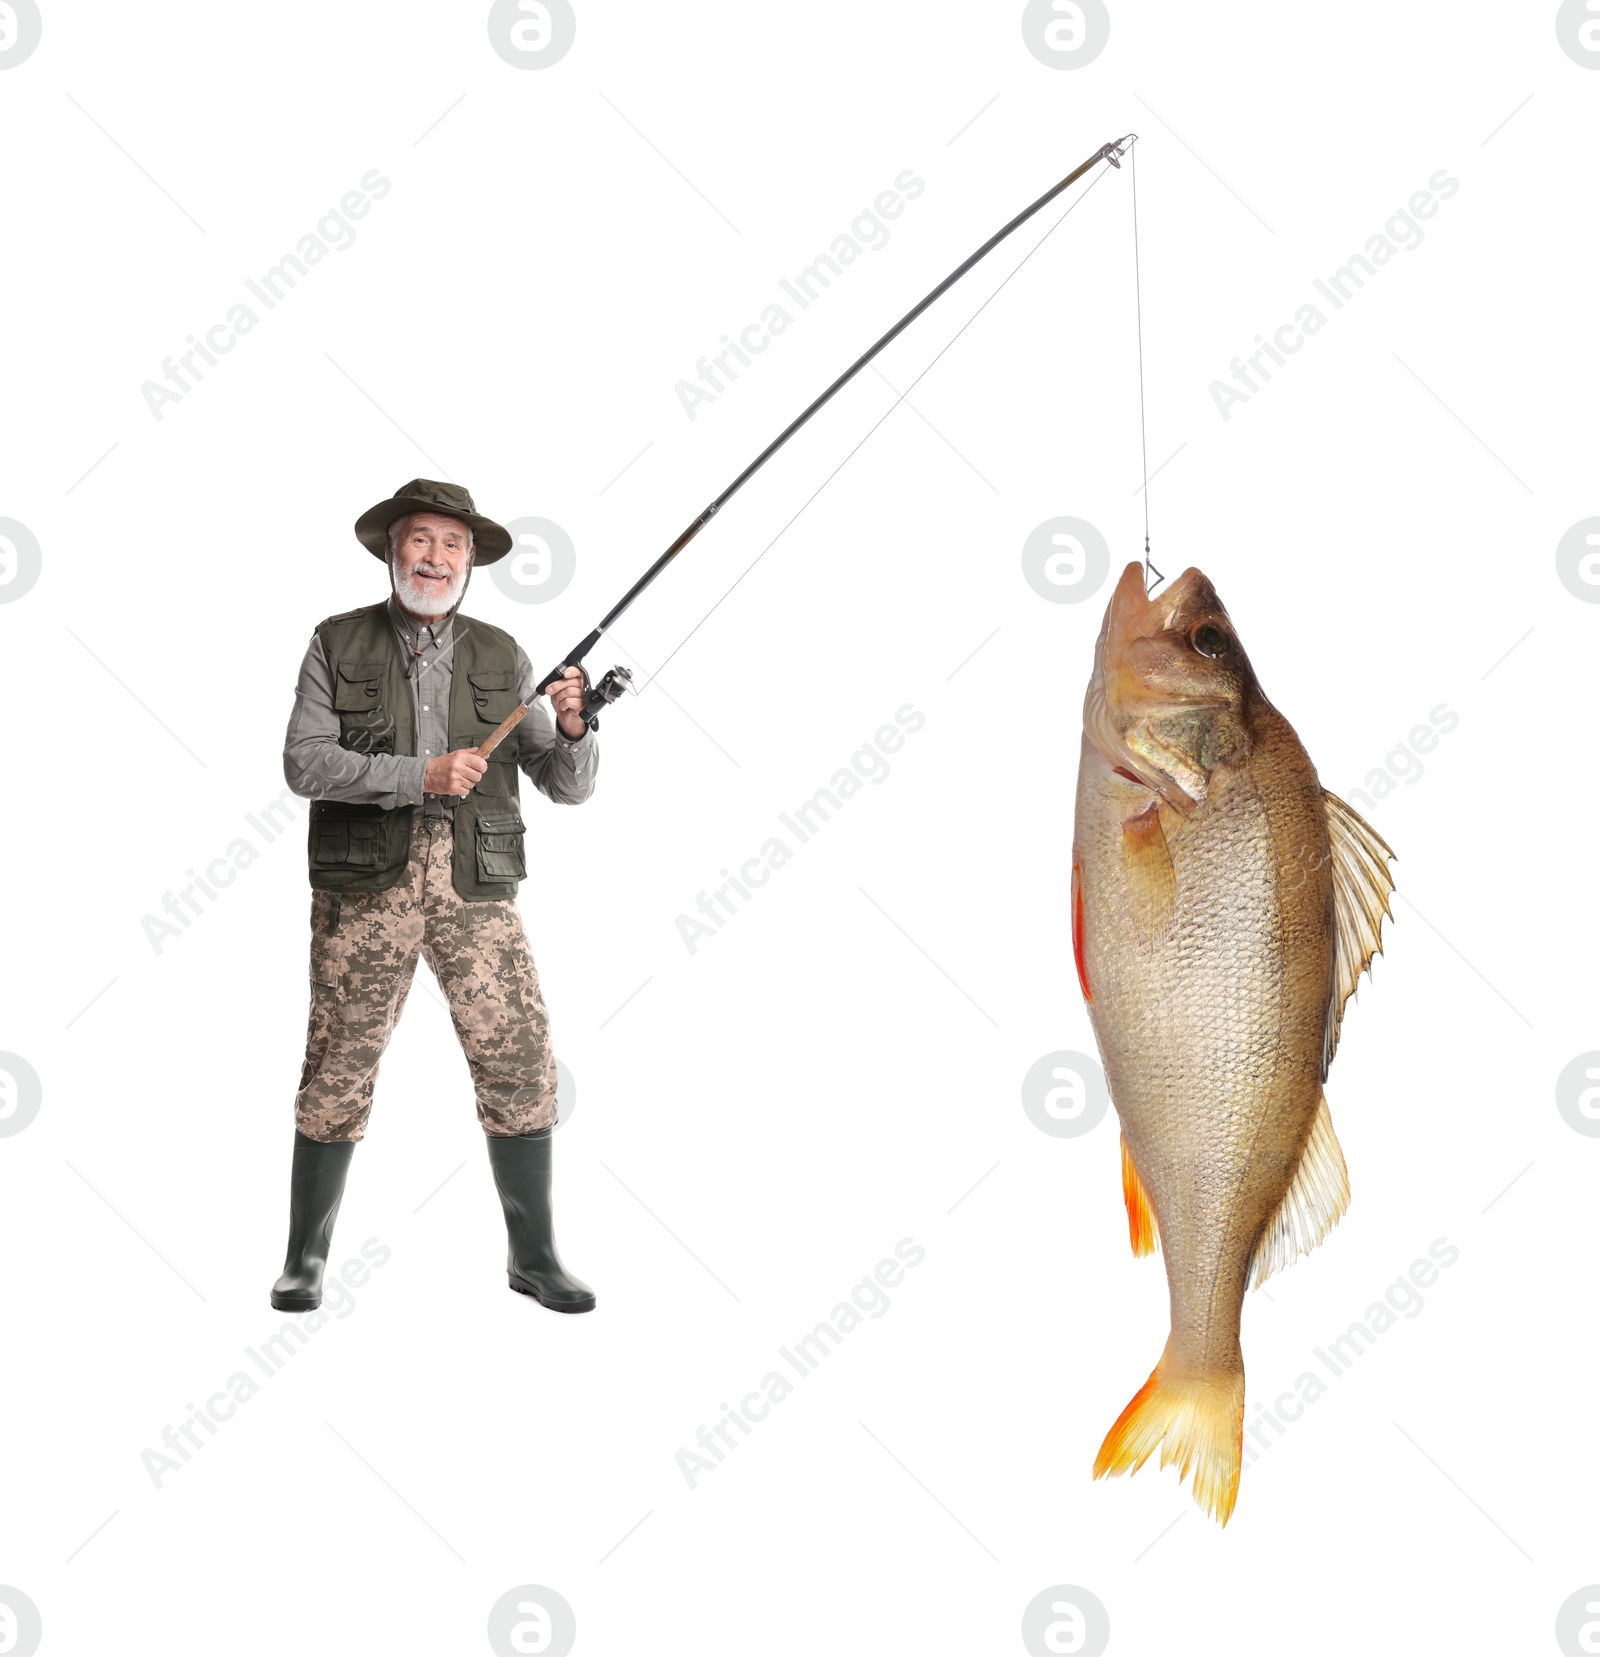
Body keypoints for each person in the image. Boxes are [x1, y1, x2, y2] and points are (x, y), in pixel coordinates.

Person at [271, 478, 598, 1314]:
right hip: (364, 889)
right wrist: (420, 774)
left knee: (522, 1062)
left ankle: (535, 1255)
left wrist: (573, 727)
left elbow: (567, 786)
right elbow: (305, 761)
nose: (437, 557)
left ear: (471, 561)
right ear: (392, 549)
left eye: (453, 544)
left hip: (475, 886)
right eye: (421, 539)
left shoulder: (502, 654)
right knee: (337, 1066)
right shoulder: (335, 642)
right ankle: (304, 1259)